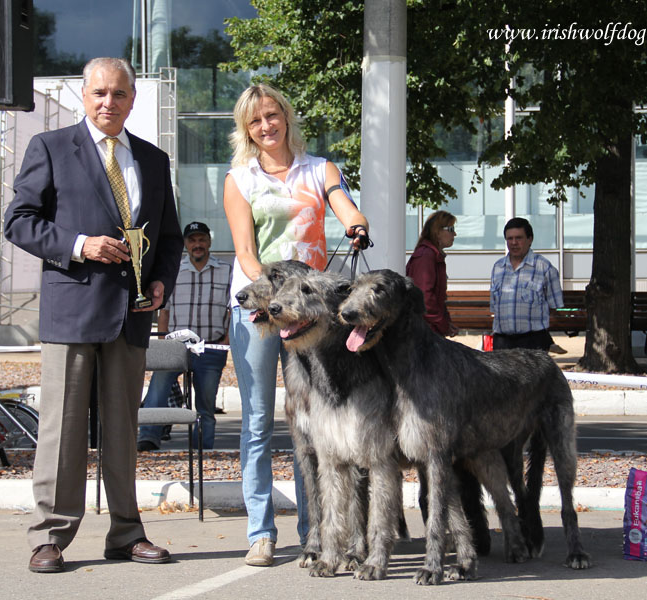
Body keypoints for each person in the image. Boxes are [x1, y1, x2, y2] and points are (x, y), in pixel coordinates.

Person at [4, 57, 182, 573]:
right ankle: (49, 536)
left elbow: (168, 239)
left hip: (130, 315)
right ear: (85, 95)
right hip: (72, 313)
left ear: (133, 99)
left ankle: (126, 533)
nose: (109, 102)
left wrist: (161, 282)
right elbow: (18, 222)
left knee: (123, 428)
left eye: (119, 94)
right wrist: (81, 245)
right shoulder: (51, 148)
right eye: (99, 93)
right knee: (62, 431)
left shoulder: (153, 158)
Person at [223, 83, 370, 567]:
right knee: (260, 422)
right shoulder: (239, 179)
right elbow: (246, 253)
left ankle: (319, 531)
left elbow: (341, 201)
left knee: (317, 425)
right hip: (259, 311)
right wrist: (272, 297)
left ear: (286, 116)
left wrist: (355, 221)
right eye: (255, 120)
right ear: (247, 129)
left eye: (272, 115)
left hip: (313, 315)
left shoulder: (319, 167)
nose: (266, 126)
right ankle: (261, 532)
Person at [137, 221, 232, 452]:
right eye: (192, 240)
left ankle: (203, 449)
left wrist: (227, 339)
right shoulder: (173, 272)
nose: (197, 244)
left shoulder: (226, 270)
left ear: (209, 242)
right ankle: (148, 439)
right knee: (156, 394)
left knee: (205, 405)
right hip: (176, 347)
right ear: (185, 244)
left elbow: (232, 309)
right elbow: (164, 311)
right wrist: (162, 347)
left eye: (201, 239)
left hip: (211, 347)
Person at [490, 217, 563, 351]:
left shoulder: (544, 268)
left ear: (530, 239)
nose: (514, 243)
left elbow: (555, 307)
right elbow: (494, 307)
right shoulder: (498, 268)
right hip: (502, 342)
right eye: (509, 238)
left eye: (519, 238)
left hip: (533, 342)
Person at [406, 210, 459, 337]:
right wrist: (443, 324)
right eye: (451, 229)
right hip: (423, 333)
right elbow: (424, 298)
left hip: (429, 330)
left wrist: (446, 322)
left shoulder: (433, 255)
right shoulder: (426, 256)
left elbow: (436, 297)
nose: (455, 234)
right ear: (438, 231)